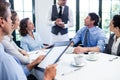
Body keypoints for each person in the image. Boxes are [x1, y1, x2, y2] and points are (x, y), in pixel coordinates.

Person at [0, 1, 56, 80]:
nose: (11, 22)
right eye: (10, 18)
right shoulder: (5, 59)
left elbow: (21, 51)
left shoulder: (8, 42)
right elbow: (24, 57)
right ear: (2, 21)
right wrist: (48, 77)